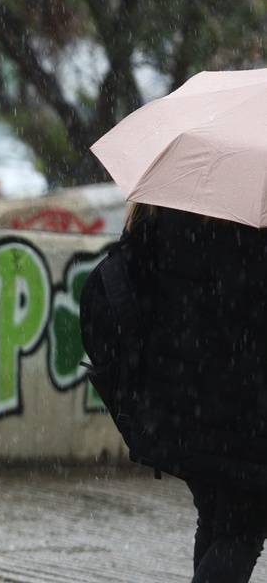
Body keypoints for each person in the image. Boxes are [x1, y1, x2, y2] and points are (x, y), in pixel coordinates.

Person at [121, 203, 267, 583]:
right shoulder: (258, 215)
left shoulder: (162, 205)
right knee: (242, 532)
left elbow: (133, 280)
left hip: (180, 398)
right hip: (249, 407)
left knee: (215, 518)